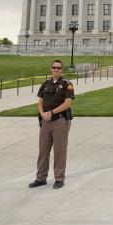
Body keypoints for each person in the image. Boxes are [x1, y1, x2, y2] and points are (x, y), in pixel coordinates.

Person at [29, 59, 74, 189]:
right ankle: (41, 178)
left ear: (62, 70)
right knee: (43, 150)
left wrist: (52, 112)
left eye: (58, 68)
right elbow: (40, 102)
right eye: (54, 67)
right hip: (45, 121)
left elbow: (67, 103)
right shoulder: (45, 84)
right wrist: (43, 114)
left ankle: (59, 178)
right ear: (51, 69)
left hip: (60, 120)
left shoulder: (67, 84)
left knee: (59, 150)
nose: (56, 70)